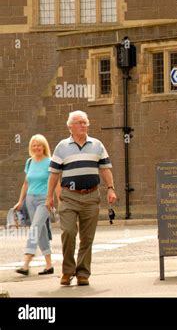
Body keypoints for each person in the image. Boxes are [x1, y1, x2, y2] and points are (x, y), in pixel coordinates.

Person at [46, 110, 117, 286]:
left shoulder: (97, 145)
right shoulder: (62, 147)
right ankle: (67, 271)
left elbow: (106, 168)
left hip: (92, 196)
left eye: (85, 122)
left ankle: (83, 273)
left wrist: (111, 189)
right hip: (69, 197)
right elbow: (54, 174)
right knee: (68, 233)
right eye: (79, 123)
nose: (83, 125)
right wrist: (49, 197)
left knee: (87, 238)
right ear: (70, 126)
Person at [14, 134, 60, 276]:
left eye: (39, 145)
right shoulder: (29, 162)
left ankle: (26, 264)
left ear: (44, 146)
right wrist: (20, 201)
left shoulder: (50, 162)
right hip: (30, 199)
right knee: (41, 231)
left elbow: (56, 183)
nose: (36, 147)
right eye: (34, 145)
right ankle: (49, 265)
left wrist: (59, 201)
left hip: (44, 200)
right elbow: (26, 183)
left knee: (34, 228)